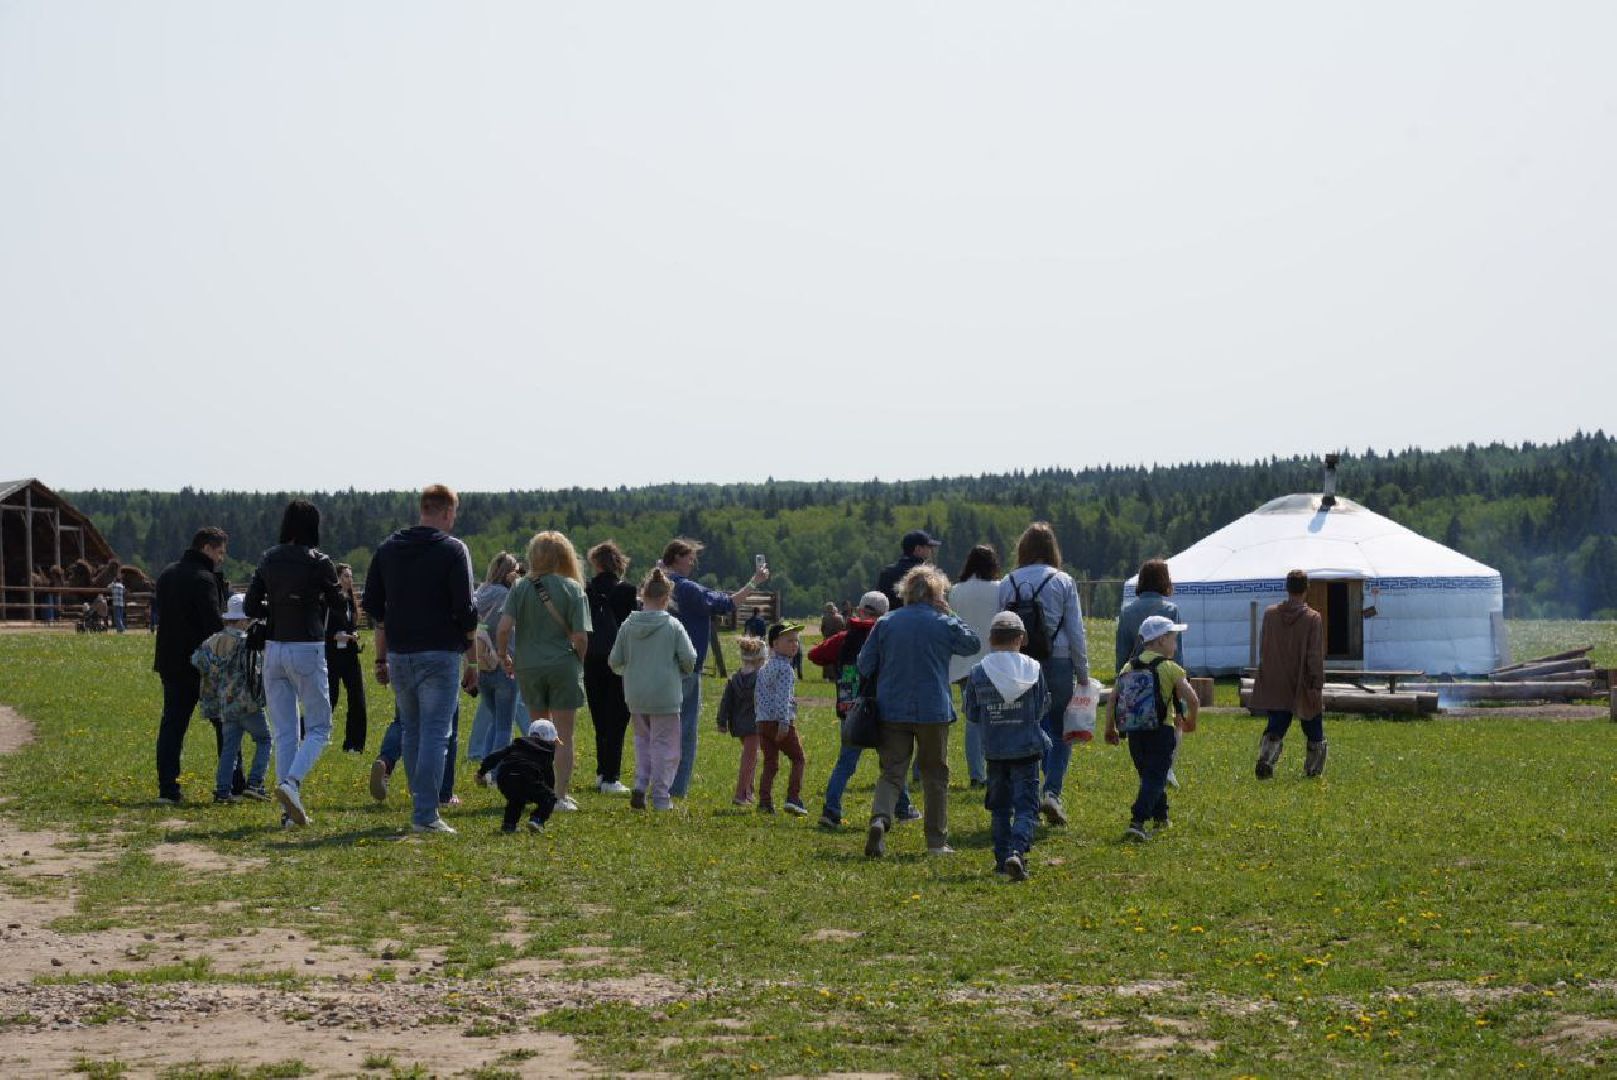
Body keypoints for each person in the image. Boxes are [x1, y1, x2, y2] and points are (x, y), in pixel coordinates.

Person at [362, 484, 479, 835]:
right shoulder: (454, 550)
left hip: (400, 653)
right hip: (440, 652)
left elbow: (372, 604)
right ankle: (425, 813)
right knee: (435, 733)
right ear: (446, 512)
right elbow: (466, 610)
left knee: (412, 731)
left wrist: (383, 650)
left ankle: (421, 803)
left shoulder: (387, 548)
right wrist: (472, 660)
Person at [858, 565, 980, 858]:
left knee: (892, 772)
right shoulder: (943, 622)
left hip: (892, 707)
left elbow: (864, 664)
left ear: (905, 592)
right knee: (935, 775)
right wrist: (950, 613)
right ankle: (936, 842)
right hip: (933, 708)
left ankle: (880, 818)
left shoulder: (886, 622)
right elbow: (972, 644)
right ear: (938, 593)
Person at [245, 499, 344, 828]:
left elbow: (249, 606)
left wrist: (276, 605)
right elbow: (339, 606)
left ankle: (288, 814)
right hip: (307, 647)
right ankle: (292, 783)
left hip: (273, 648)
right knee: (319, 727)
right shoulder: (320, 561)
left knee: (285, 732)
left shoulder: (269, 557)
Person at [997, 522, 1090, 828]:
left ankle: (1026, 795)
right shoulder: (1062, 580)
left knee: (1027, 726)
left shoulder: (1007, 582)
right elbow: (1076, 630)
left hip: (1018, 662)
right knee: (1062, 729)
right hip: (1058, 660)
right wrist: (1083, 672)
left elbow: (1002, 627)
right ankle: (1052, 790)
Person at [661, 538, 769, 799]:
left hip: (661, 665)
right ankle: (675, 790)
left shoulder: (658, 585)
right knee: (685, 731)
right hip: (686, 667)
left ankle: (655, 783)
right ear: (676, 557)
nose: (693, 562)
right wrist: (754, 582)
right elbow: (726, 603)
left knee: (660, 729)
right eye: (689, 557)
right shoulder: (686, 588)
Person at [497, 531, 591, 810]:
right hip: (563, 664)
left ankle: (536, 789)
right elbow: (581, 637)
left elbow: (503, 628)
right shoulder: (573, 589)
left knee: (538, 734)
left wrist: (504, 656)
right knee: (564, 734)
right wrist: (579, 660)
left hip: (528, 666)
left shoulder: (520, 588)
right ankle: (559, 795)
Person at [809, 591, 916, 830]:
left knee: (846, 763)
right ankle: (902, 807)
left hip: (851, 711)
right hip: (883, 708)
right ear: (885, 614)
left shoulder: (844, 639)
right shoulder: (888, 637)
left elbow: (815, 655)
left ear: (859, 610)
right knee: (892, 762)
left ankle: (831, 810)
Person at [962, 611, 1050, 881]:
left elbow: (972, 712)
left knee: (999, 807)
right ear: (1021, 639)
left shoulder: (978, 671)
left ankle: (1002, 860)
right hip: (1027, 747)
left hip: (995, 750)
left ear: (990, 639)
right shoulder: (1033, 668)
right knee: (1026, 807)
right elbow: (1042, 706)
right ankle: (1017, 851)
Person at [608, 566, 697, 811]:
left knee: (642, 742)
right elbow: (689, 659)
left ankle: (639, 783)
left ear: (642, 595)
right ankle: (660, 796)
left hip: (636, 694)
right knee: (665, 746)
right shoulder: (673, 626)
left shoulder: (628, 625)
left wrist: (631, 672)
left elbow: (615, 661)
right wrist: (679, 672)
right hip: (665, 694)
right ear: (666, 599)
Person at [152, 527, 229, 804]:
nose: (221, 558)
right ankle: (229, 784)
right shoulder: (203, 579)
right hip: (202, 665)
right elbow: (213, 625)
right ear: (206, 548)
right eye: (219, 552)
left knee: (172, 726)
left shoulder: (167, 574)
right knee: (224, 725)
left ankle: (168, 789)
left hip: (170, 661)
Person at [1105, 615, 1199, 841]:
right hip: (1162, 731)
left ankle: (1161, 817)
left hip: (1135, 732)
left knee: (1149, 775)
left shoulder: (1129, 666)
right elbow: (1193, 699)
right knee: (1156, 777)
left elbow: (1113, 699)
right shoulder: (1171, 668)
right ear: (1160, 641)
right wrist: (1191, 721)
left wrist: (1110, 728)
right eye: (1173, 639)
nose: (1176, 645)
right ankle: (1137, 821)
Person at [191, 593, 273, 805]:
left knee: (230, 749)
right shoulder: (246, 642)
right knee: (264, 739)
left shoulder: (213, 640)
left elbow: (196, 660)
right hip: (247, 702)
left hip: (224, 704)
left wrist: (216, 674)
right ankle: (255, 783)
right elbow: (256, 669)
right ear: (243, 620)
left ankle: (222, 791)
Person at [1248, 570, 1327, 779]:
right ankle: (1313, 769)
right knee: (1313, 726)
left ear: (1287, 587)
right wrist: (1317, 682)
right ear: (1306, 589)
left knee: (1276, 725)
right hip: (1302, 680)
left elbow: (1264, 646)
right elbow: (1314, 654)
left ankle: (1265, 759)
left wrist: (1267, 673)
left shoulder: (1270, 614)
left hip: (1277, 679)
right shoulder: (1312, 618)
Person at [1117, 559, 1185, 788]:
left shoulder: (1127, 612)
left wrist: (1121, 677)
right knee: (1171, 722)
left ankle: (1148, 768)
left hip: (1136, 675)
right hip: (1164, 673)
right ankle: (1166, 767)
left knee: (1140, 723)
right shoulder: (1170, 610)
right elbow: (1177, 650)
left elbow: (1122, 650)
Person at [583, 541, 639, 795]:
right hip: (619, 659)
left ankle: (600, 771)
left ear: (595, 563)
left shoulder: (586, 589)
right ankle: (611, 776)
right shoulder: (627, 591)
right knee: (617, 718)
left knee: (599, 719)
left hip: (591, 657)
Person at [948, 544, 1003, 788]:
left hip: (963, 662)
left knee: (973, 719)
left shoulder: (956, 591)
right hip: (993, 660)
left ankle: (976, 774)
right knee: (995, 717)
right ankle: (993, 768)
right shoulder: (1000, 589)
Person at [468, 552, 523, 763]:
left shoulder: (479, 592)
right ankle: (497, 769)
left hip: (482, 663)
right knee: (504, 726)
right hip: (504, 660)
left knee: (495, 719)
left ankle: (485, 765)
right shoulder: (508, 595)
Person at [755, 621, 808, 815]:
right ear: (774, 645)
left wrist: (761, 718)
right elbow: (782, 698)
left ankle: (765, 802)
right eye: (789, 640)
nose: (794, 644)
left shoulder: (764, 668)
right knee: (799, 759)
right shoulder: (786, 669)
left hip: (762, 721)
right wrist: (784, 723)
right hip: (779, 722)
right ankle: (793, 798)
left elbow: (759, 695)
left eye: (796, 641)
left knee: (771, 763)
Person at [476, 719, 560, 833]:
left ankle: (509, 825)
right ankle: (537, 820)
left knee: (516, 799)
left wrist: (482, 771)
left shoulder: (519, 743)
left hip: (505, 776)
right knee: (549, 798)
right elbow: (549, 774)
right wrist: (548, 791)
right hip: (528, 776)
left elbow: (496, 756)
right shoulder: (547, 749)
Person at [716, 636, 764, 806]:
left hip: (738, 724)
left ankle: (749, 791)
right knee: (749, 759)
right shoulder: (761, 678)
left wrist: (722, 722)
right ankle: (741, 794)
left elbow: (725, 702)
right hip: (755, 724)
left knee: (752, 756)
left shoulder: (734, 678)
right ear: (760, 659)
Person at [327, 562, 369, 753]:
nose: (349, 579)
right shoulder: (328, 601)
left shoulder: (351, 601)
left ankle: (354, 744)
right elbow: (324, 630)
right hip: (332, 655)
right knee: (331, 699)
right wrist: (340, 636)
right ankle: (305, 732)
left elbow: (350, 627)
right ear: (337, 578)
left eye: (350, 576)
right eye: (345, 576)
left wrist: (353, 636)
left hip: (350, 654)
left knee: (358, 700)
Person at [875, 529, 940, 611]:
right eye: (928, 547)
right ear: (918, 549)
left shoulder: (887, 572)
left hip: (892, 620)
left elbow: (878, 601)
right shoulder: (927, 576)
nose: (931, 551)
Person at [816, 602, 845, 679]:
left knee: (826, 657)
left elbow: (822, 628)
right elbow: (843, 627)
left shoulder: (825, 618)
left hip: (827, 638)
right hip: (838, 639)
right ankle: (837, 673)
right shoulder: (840, 617)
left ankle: (827, 675)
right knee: (837, 657)